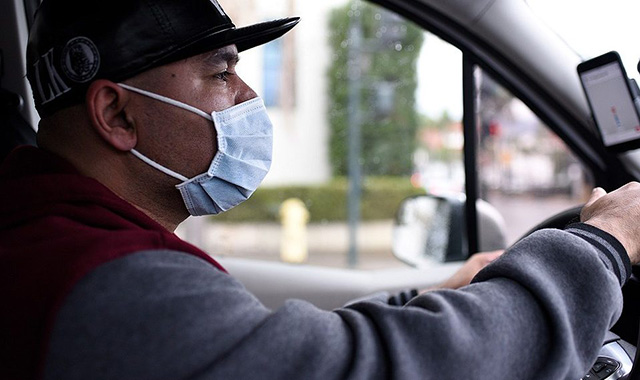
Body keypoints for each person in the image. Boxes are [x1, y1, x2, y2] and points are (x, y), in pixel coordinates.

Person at [1, 0, 640, 379]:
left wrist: (433, 294)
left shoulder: (66, 246)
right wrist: (604, 242)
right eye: (221, 72)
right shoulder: (98, 278)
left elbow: (263, 352)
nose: (248, 95)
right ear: (116, 114)